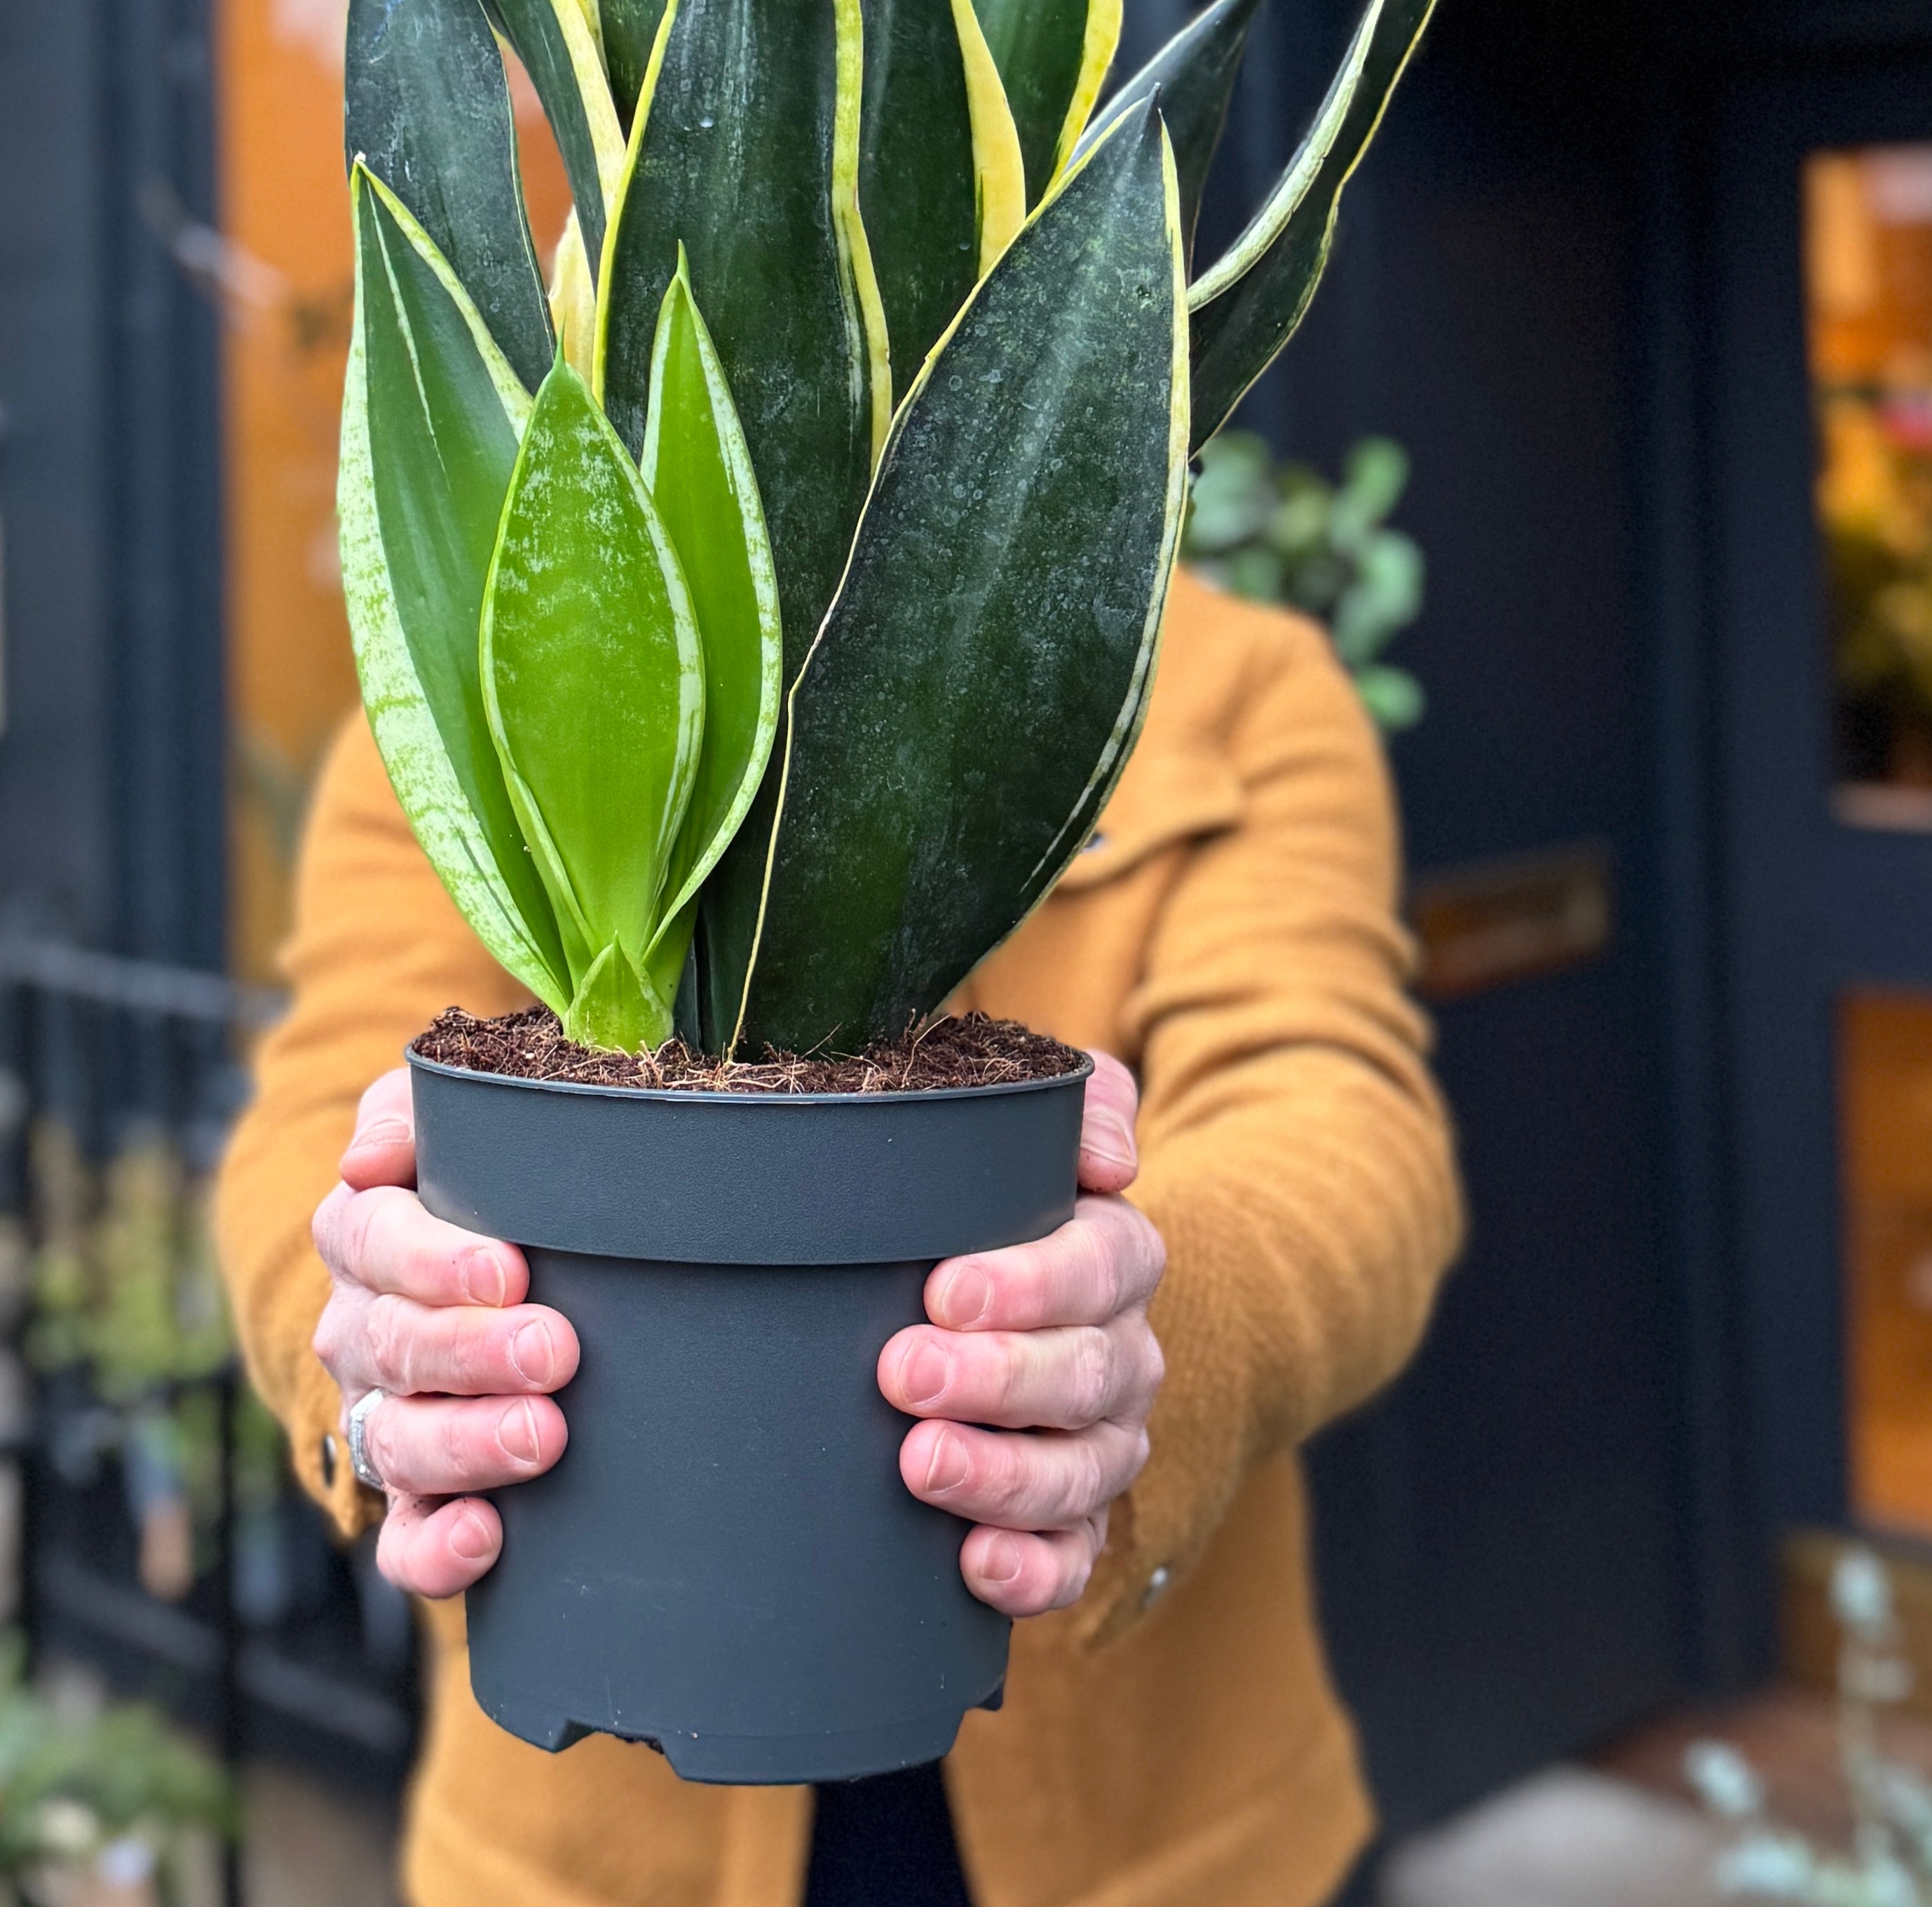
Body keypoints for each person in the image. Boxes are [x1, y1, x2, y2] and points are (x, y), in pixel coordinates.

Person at [215, 564, 1463, 1907]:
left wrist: (1140, 1326)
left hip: (1166, 1845)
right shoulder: (498, 675)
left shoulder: (1234, 683)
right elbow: (319, 1125)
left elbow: (1337, 1118)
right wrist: (369, 1334)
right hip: (590, 1843)